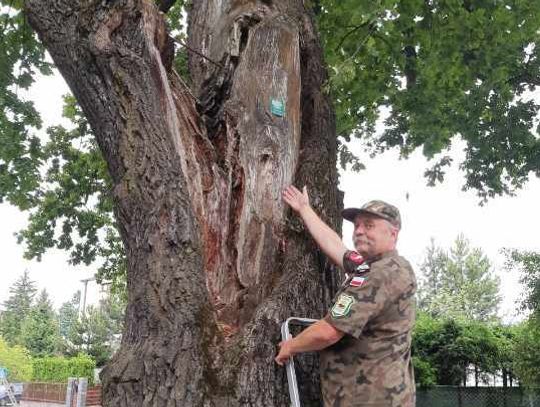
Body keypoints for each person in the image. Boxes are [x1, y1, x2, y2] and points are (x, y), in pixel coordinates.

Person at [275, 185, 416, 407]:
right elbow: (338, 248)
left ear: (393, 233)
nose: (359, 231)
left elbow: (329, 332)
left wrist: (290, 346)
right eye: (357, 225)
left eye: (369, 225)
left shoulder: (383, 273)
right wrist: (304, 208)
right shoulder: (371, 267)